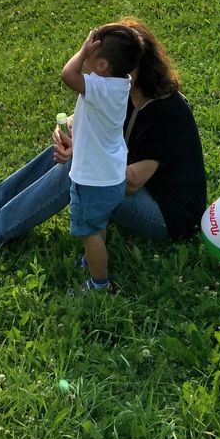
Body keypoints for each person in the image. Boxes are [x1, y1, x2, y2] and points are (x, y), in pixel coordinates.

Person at [0, 18, 207, 265]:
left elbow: (134, 180)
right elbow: (77, 120)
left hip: (166, 215)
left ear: (132, 69)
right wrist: (66, 132)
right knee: (79, 159)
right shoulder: (125, 90)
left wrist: (81, 156)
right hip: (137, 190)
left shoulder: (165, 111)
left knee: (80, 172)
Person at [60, 24, 143, 292]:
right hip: (111, 176)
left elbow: (67, 75)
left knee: (90, 231)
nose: (85, 57)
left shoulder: (98, 86)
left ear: (103, 65)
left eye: (91, 54)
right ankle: (91, 258)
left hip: (92, 180)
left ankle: (99, 283)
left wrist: (83, 51)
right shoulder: (122, 84)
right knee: (99, 222)